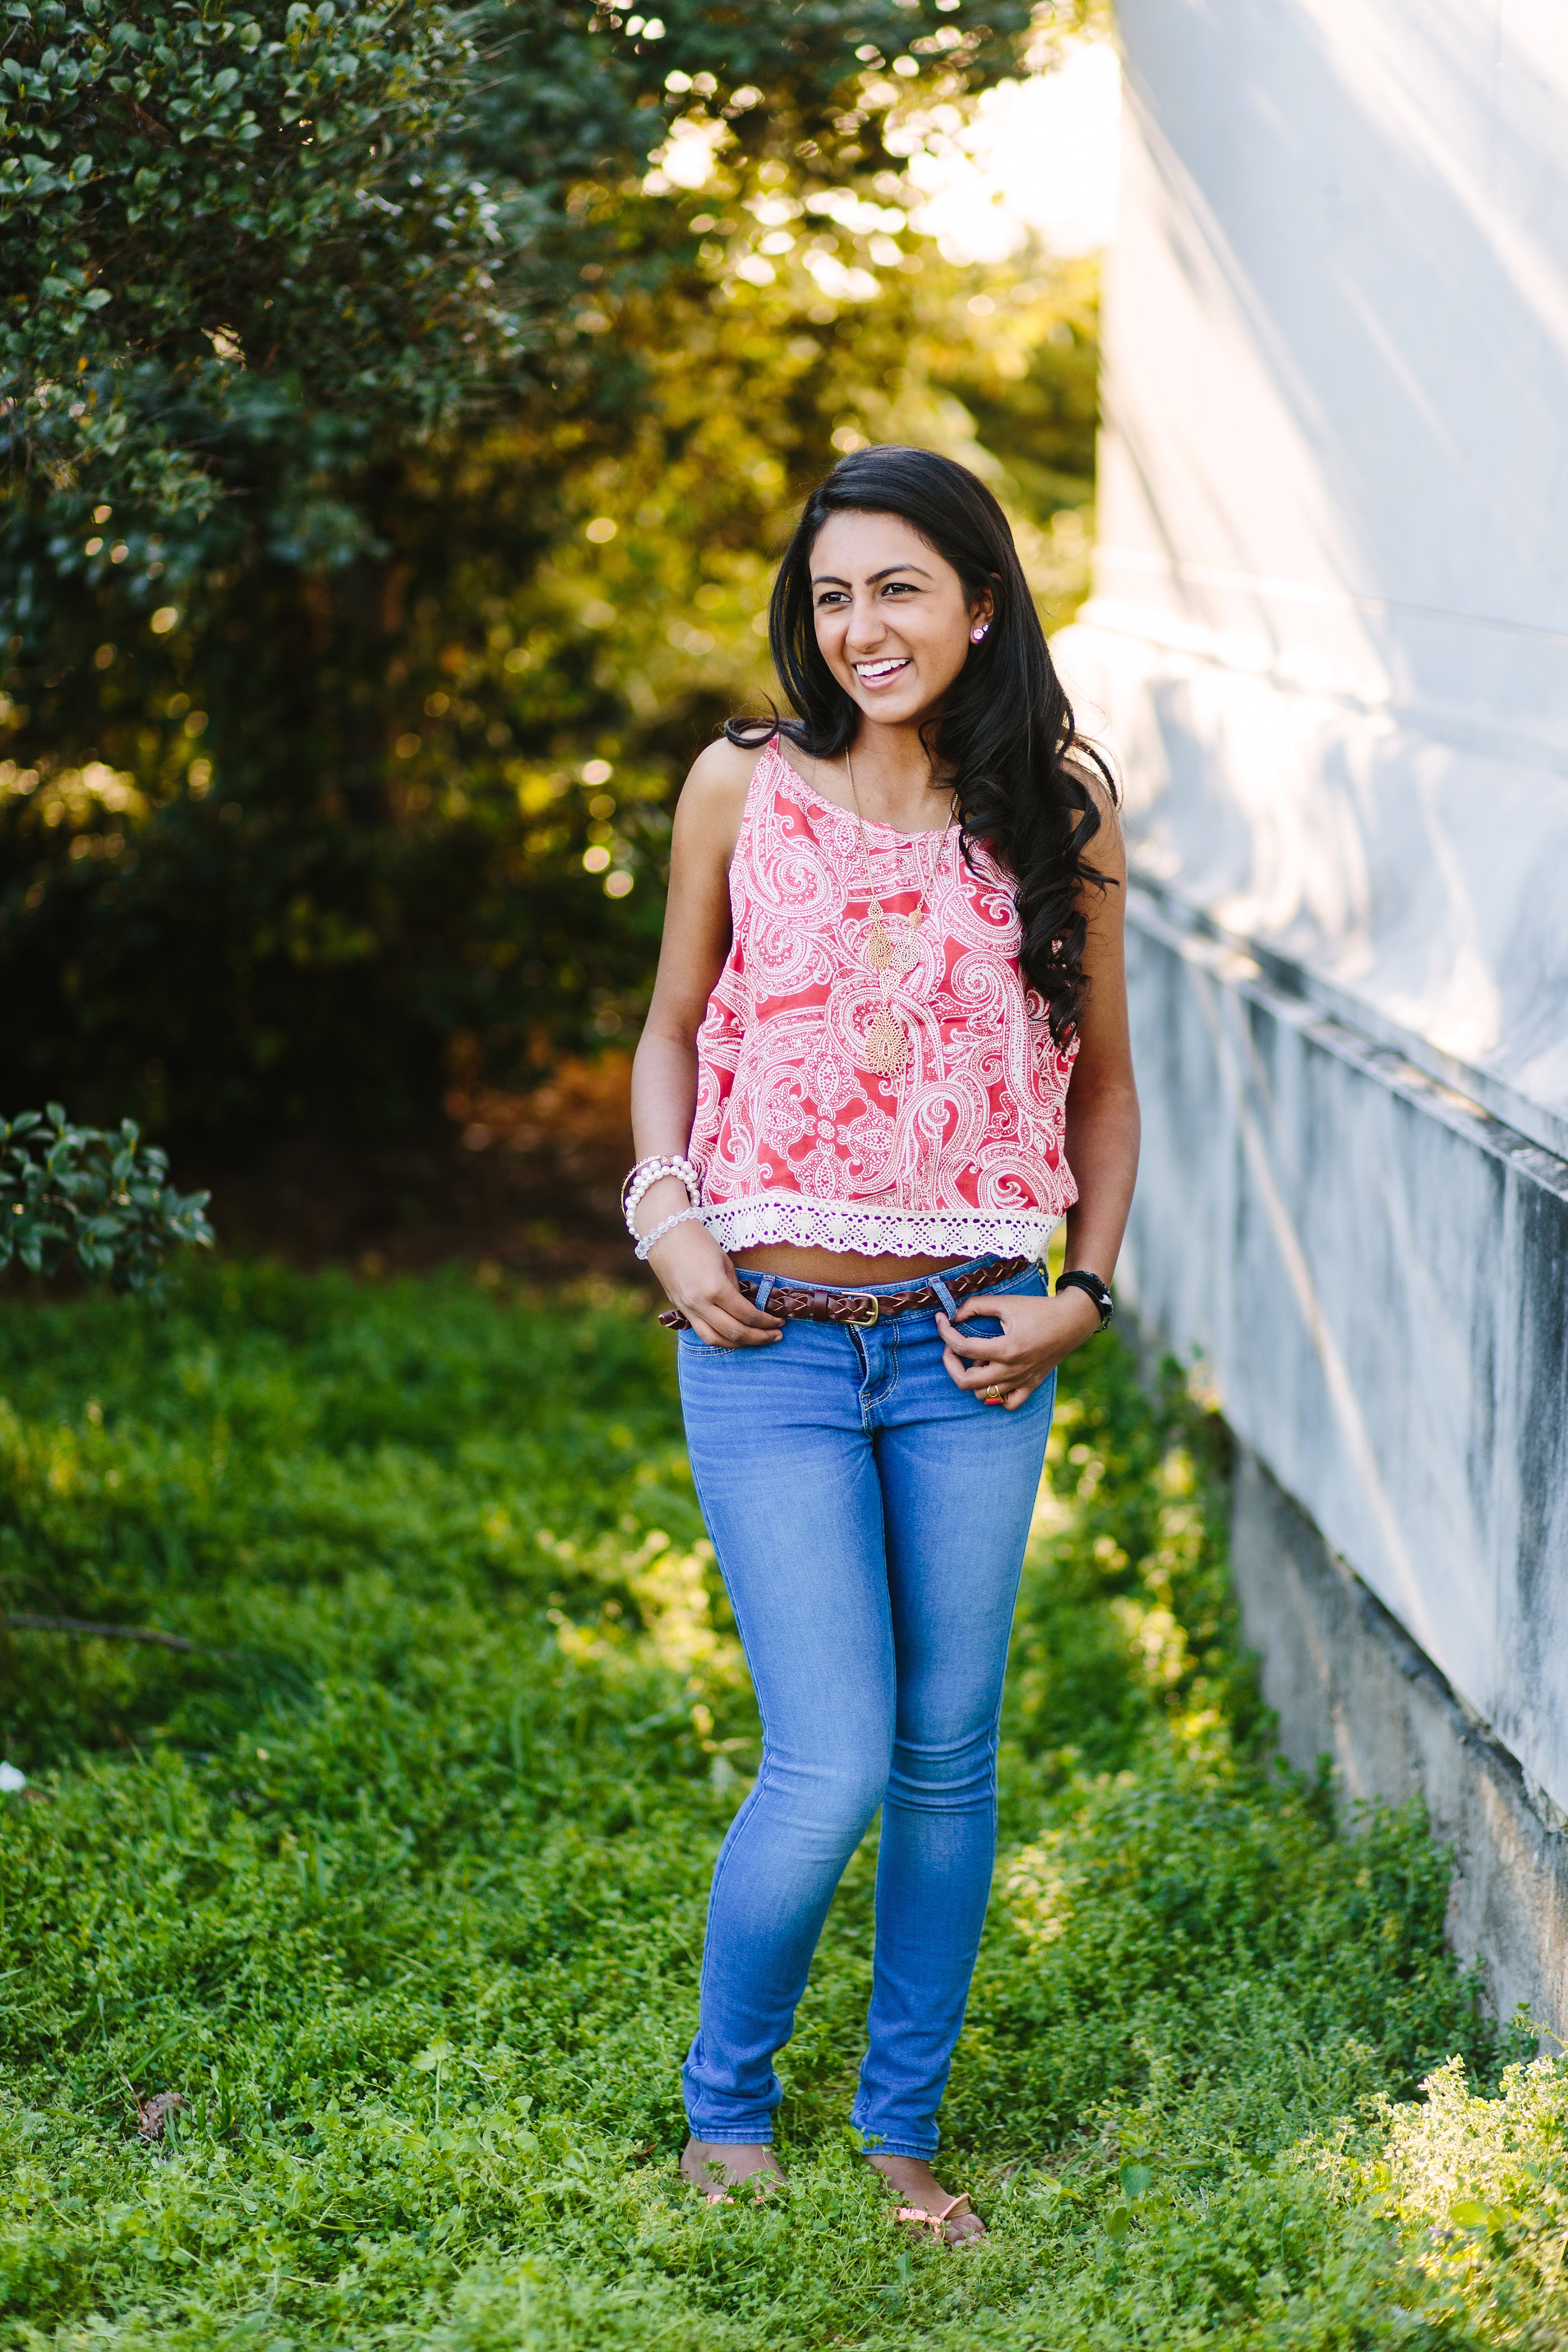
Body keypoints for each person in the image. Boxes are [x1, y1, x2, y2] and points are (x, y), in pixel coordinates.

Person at [624, 444, 1139, 2246]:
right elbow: (670, 1027)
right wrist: (665, 1210)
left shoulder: (1055, 805)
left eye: (898, 588)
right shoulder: (736, 787)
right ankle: (725, 2104)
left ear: (979, 601)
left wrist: (1087, 1290)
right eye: (832, 594)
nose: (861, 629)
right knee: (828, 1751)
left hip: (968, 1345)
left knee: (945, 1750)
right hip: (764, 1338)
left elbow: (1105, 1089)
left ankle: (902, 2130)